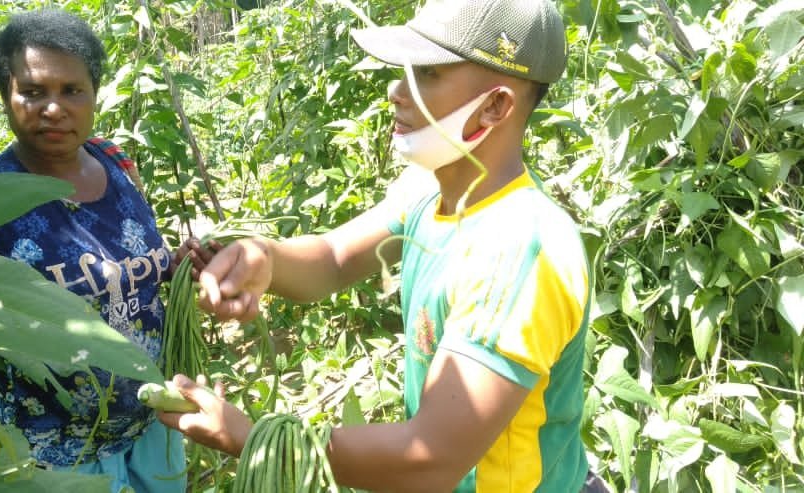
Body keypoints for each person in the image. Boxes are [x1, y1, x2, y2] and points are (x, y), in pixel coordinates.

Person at [159, 0, 607, 491]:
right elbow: (333, 260)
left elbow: (430, 459)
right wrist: (261, 258)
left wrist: (255, 440)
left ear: (495, 106)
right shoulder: (431, 191)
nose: (397, 91)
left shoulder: (522, 250)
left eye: (428, 73)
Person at [0, 9, 207, 493]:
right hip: (56, 454)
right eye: (33, 92)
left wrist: (176, 266)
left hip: (152, 420)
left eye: (71, 90)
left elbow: (129, 268)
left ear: (94, 93)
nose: (53, 108)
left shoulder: (115, 161)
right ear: (7, 96)